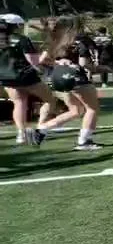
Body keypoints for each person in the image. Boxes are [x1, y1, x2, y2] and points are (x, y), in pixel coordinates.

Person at [35, 21, 104, 151]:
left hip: (57, 78)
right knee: (92, 109)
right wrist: (99, 68)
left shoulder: (55, 41)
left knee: (76, 110)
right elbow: (83, 64)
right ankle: (84, 141)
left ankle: (42, 128)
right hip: (75, 77)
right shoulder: (80, 42)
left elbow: (41, 60)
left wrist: (58, 62)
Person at [0, 14, 57, 147]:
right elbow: (34, 61)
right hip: (25, 76)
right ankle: (40, 129)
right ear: (16, 26)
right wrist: (45, 55)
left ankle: (21, 134)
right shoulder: (22, 39)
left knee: (19, 103)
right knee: (49, 100)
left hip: (6, 77)